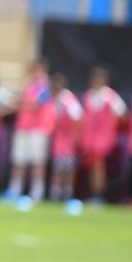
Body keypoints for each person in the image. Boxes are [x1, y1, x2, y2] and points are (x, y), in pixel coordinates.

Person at [5, 60, 55, 202]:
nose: (34, 73)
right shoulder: (28, 84)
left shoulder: (46, 86)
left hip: (39, 129)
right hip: (23, 128)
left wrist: (18, 103)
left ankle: (37, 192)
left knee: (37, 162)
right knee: (18, 161)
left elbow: (36, 104)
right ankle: (14, 191)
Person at [78, 67, 127, 204]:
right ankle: (94, 194)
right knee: (92, 168)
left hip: (104, 140)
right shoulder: (88, 96)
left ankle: (98, 196)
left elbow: (122, 114)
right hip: (89, 140)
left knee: (98, 167)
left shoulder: (110, 97)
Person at [48, 73, 83, 202]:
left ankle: (67, 193)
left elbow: (79, 117)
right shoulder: (54, 99)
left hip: (68, 140)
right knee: (58, 167)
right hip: (59, 139)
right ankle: (56, 193)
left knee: (67, 168)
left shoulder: (68, 99)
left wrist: (75, 137)